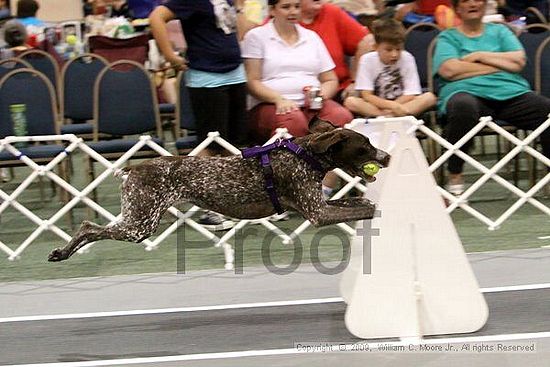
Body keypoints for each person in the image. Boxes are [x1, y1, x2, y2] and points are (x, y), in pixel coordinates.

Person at [149, 0, 255, 229]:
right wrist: (170, 55)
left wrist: (240, 8)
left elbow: (238, 30)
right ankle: (208, 209)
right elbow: (156, 17)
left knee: (234, 142)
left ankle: (230, 201)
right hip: (207, 78)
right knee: (210, 142)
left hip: (235, 73)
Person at [432, 0, 550, 195]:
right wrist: (499, 64)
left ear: (485, 5)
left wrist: (478, 55)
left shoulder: (500, 31)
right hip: (466, 94)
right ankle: (455, 174)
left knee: (547, 109)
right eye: (465, 1)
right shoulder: (448, 37)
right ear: (457, 8)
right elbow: (449, 69)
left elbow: (518, 61)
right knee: (462, 107)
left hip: (510, 93)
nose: (472, 4)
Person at [241, 0, 353, 141]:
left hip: (311, 103)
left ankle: (330, 162)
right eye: (286, 7)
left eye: (297, 6)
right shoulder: (256, 36)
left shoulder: (312, 37)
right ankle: (287, 162)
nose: (293, 11)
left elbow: (330, 79)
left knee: (341, 116)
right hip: (271, 103)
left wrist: (321, 95)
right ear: (272, 10)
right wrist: (278, 99)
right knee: (294, 121)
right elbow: (252, 81)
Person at [344, 18, 436, 118]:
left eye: (398, 49)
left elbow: (411, 93)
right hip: (377, 106)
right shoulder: (367, 60)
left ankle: (387, 117)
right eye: (388, 50)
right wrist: (391, 106)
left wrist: (396, 106)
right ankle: (389, 117)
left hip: (403, 104)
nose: (394, 54)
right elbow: (367, 95)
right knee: (351, 102)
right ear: (375, 47)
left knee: (429, 97)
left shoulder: (407, 58)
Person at [299, 0, 374, 102]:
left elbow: (368, 41)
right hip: (298, 93)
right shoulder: (282, 21)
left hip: (339, 89)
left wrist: (356, 81)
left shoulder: (331, 12)